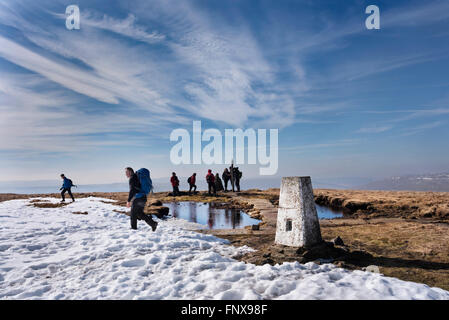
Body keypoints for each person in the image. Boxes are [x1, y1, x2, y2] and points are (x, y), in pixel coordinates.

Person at [125, 167, 157, 231]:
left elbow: (132, 190)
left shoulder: (132, 178)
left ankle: (133, 228)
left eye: (126, 172)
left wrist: (128, 201)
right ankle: (153, 224)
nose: (125, 174)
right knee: (140, 213)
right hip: (143, 198)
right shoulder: (137, 177)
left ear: (130, 172)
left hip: (138, 198)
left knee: (133, 213)